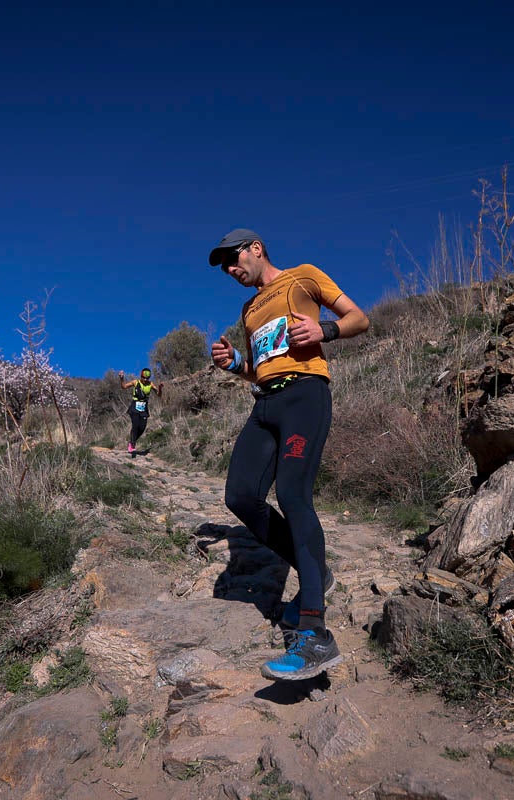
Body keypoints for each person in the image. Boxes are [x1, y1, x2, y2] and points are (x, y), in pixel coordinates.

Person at [208, 228, 369, 681]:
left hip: (304, 396)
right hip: (265, 403)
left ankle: (315, 633)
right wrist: (235, 365)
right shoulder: (249, 309)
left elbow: (360, 318)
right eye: (224, 268)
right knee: (240, 496)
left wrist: (326, 329)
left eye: (234, 260)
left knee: (293, 496)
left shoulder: (303, 277)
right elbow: (260, 369)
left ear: (255, 248)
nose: (231, 270)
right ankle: (314, 566)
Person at [120, 368, 163, 455]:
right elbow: (124, 387)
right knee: (135, 425)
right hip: (134, 407)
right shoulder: (135, 382)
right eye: (144, 378)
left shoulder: (150, 384)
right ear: (141, 376)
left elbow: (158, 395)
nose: (145, 380)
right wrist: (121, 378)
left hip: (144, 409)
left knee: (142, 428)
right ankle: (132, 445)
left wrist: (160, 388)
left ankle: (132, 441)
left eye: (147, 378)